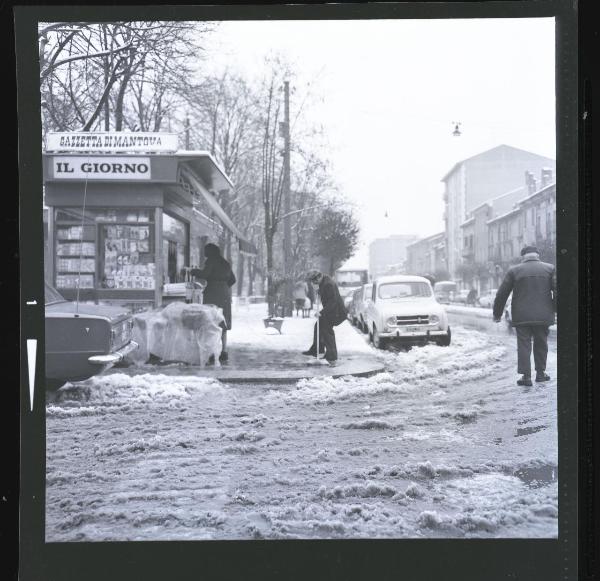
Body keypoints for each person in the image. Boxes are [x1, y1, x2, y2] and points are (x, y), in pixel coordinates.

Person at [492, 245, 556, 386]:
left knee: (523, 345)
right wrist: (555, 309)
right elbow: (558, 290)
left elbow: (502, 294)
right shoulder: (550, 268)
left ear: (523, 256)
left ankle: (526, 377)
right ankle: (540, 374)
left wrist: (497, 314)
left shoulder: (514, 271)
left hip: (522, 315)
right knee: (541, 343)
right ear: (537, 255)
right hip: (543, 314)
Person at [186, 243, 236, 363]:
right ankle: (224, 350)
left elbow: (205, 274)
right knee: (223, 321)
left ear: (210, 252)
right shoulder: (225, 263)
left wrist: (192, 271)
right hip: (225, 293)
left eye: (205, 251)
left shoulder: (211, 261)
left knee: (211, 321)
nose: (204, 254)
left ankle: (212, 351)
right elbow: (233, 279)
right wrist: (224, 286)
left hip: (213, 293)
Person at [302, 270, 348, 366]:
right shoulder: (324, 281)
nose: (313, 283)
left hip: (336, 312)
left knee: (327, 331)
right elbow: (325, 295)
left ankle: (332, 358)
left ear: (319, 277)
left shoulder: (328, 284)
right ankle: (317, 350)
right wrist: (318, 290)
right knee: (318, 326)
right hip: (332, 310)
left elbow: (333, 302)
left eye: (314, 281)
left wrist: (321, 312)